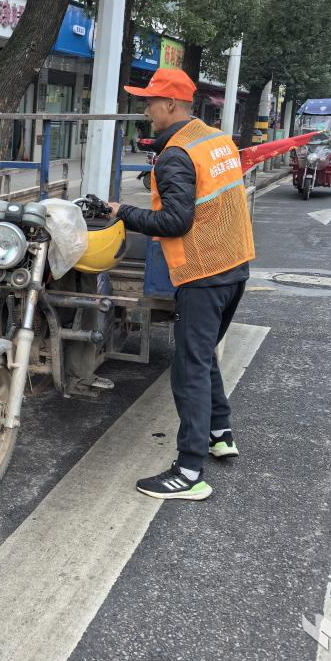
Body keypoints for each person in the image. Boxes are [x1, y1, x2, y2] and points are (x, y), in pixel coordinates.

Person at [106, 68, 255, 502]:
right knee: (202, 352)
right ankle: (220, 431)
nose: (146, 110)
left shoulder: (176, 154)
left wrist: (123, 212)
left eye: (150, 102)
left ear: (171, 104)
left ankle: (190, 471)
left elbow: (174, 221)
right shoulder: (216, 139)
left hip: (204, 273)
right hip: (235, 266)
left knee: (188, 368)